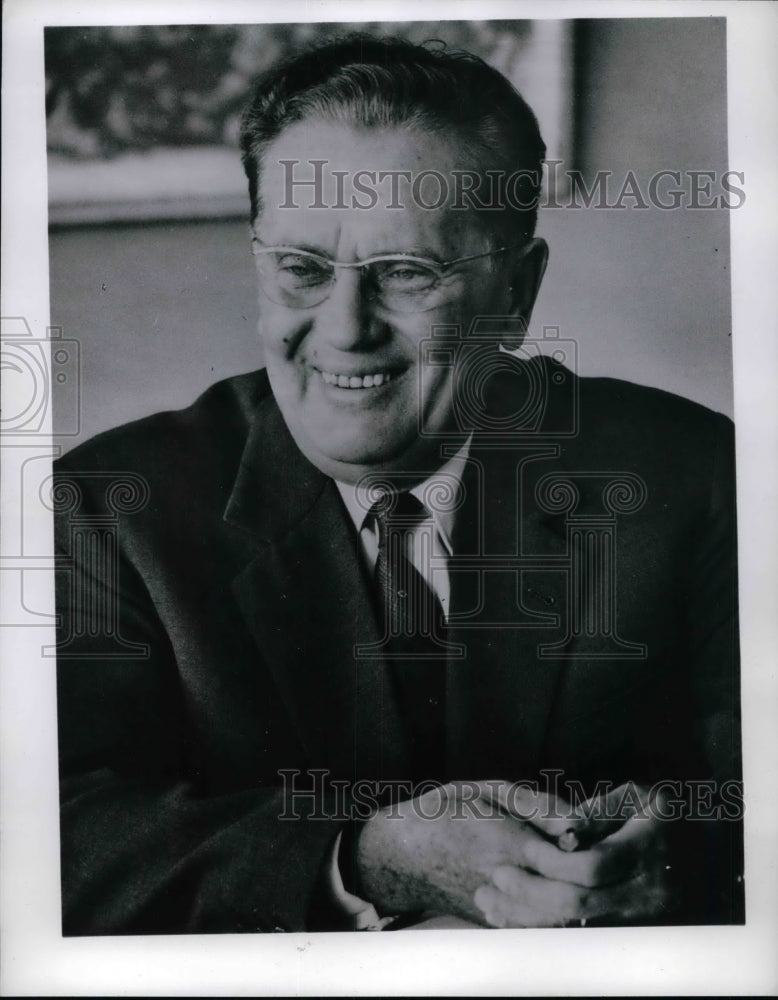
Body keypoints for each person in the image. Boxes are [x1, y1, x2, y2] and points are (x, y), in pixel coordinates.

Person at [53, 35, 742, 934]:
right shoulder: (109, 509)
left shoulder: (689, 476)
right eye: (301, 270)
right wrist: (367, 858)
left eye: (407, 274)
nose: (344, 332)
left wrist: (682, 855)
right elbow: (50, 841)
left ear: (516, 295)